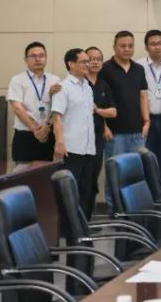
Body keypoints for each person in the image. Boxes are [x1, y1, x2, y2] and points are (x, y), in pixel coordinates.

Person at [50, 49, 97, 218]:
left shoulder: (88, 87)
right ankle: (68, 229)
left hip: (89, 148)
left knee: (85, 191)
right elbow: (57, 117)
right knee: (69, 193)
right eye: (84, 61)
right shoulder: (63, 88)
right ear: (71, 64)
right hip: (71, 149)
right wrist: (60, 142)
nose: (88, 64)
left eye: (88, 61)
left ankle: (81, 227)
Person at [6, 42, 61, 163]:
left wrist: (47, 127)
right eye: (33, 56)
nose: (38, 59)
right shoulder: (17, 80)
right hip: (25, 135)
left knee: (46, 171)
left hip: (47, 133)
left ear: (46, 58)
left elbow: (58, 108)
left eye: (41, 55)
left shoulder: (55, 80)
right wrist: (36, 130)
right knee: (23, 172)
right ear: (26, 60)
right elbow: (17, 108)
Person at [99, 31, 149, 159]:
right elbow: (98, 102)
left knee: (136, 170)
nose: (127, 49)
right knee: (115, 169)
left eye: (130, 46)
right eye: (122, 46)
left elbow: (143, 96)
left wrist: (147, 122)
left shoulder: (139, 69)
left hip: (138, 132)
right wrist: (104, 127)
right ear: (114, 47)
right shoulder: (104, 69)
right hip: (114, 133)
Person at [139, 30, 161, 188]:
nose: (157, 47)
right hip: (146, 120)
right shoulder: (138, 66)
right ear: (146, 47)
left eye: (160, 43)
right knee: (146, 160)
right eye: (152, 44)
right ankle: (147, 198)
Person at [85, 46, 116, 217]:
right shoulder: (79, 82)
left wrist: (98, 111)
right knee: (81, 179)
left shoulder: (103, 84)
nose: (95, 62)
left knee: (93, 178)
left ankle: (90, 217)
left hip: (97, 137)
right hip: (80, 138)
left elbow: (113, 112)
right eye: (91, 59)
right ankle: (77, 220)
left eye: (98, 59)